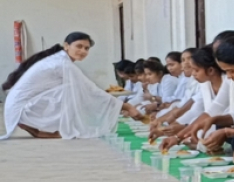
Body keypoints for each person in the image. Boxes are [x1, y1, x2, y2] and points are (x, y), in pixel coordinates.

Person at [2, 32, 137, 139]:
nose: (83, 51)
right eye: (79, 46)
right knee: (74, 90)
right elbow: (90, 90)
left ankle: (37, 129)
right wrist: (126, 106)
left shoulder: (59, 60)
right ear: (66, 46)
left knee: (75, 90)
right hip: (21, 110)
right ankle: (41, 127)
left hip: (17, 108)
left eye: (86, 48)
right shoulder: (62, 63)